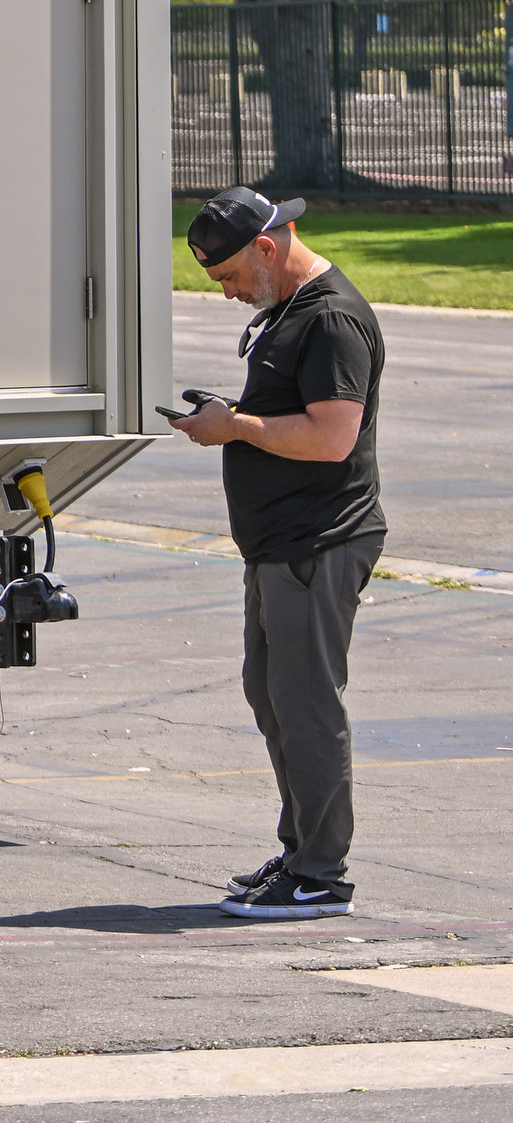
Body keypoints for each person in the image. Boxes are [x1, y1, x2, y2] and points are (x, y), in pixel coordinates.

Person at [175, 187, 386, 919]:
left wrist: (235, 428)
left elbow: (332, 438)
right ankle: (300, 852)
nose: (230, 293)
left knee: (304, 706)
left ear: (267, 247)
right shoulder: (289, 313)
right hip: (280, 542)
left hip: (319, 540)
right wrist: (232, 421)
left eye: (230, 276)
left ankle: (322, 876)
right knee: (271, 695)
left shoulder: (330, 319)